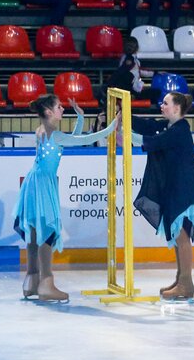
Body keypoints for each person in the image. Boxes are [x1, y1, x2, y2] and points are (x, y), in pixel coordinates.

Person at [14, 95, 118, 301]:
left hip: (35, 182)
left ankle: (31, 281)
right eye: (59, 107)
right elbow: (84, 140)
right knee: (47, 232)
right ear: (50, 112)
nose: (63, 109)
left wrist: (80, 118)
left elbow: (71, 140)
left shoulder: (44, 130)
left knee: (36, 232)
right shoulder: (54, 134)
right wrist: (110, 128)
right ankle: (46, 283)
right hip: (43, 185)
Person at [130, 92, 194, 300]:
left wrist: (124, 132)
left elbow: (152, 142)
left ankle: (186, 283)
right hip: (178, 187)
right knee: (177, 235)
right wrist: (123, 115)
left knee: (182, 237)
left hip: (187, 188)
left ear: (176, 108)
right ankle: (181, 279)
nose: (161, 105)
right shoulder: (169, 127)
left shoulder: (180, 130)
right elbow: (148, 126)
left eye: (165, 103)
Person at [105, 36, 160, 103]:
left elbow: (140, 71)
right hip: (132, 88)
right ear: (137, 48)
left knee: (154, 92)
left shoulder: (130, 59)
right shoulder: (129, 60)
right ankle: (132, 96)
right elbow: (122, 73)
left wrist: (155, 73)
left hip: (133, 87)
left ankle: (132, 95)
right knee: (157, 93)